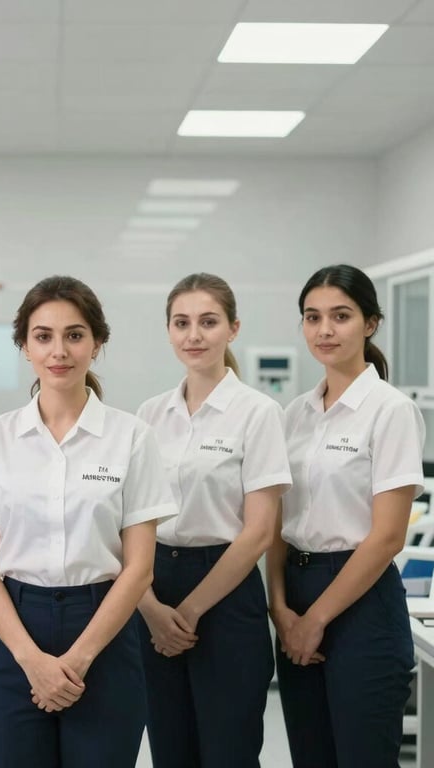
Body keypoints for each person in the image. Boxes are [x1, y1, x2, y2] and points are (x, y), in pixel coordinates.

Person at [0, 275, 176, 768]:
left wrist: (77, 660)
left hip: (104, 633)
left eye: (75, 335)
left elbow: (138, 569)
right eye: (43, 336)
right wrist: (32, 662)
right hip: (14, 632)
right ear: (24, 346)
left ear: (97, 343)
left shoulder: (132, 438)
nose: (60, 350)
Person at [267, 264, 425, 768]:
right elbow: (275, 525)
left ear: (371, 323)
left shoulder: (389, 410)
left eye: (341, 316)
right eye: (312, 318)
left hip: (362, 600)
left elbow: (387, 538)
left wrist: (314, 620)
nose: (325, 330)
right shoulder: (294, 415)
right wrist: (282, 611)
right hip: (296, 592)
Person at [136, 273, 291, 767]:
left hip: (226, 594)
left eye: (208, 322)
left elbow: (260, 531)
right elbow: (132, 521)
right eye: (181, 323)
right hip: (155, 589)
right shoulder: (149, 414)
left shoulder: (258, 413)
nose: (194, 335)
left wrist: (191, 610)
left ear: (233, 328)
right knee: (169, 748)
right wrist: (155, 611)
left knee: (228, 750)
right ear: (168, 331)